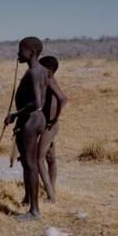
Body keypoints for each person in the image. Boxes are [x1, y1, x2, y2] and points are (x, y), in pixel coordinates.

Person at [4, 37, 61, 221]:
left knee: (30, 164)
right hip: (39, 120)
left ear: (32, 52)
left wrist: (15, 115)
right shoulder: (44, 71)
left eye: (21, 50)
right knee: (31, 164)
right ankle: (31, 204)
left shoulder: (34, 72)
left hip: (30, 120)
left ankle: (34, 211)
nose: (18, 54)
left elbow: (36, 102)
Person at [37, 56, 68, 203]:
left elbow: (63, 99)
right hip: (51, 125)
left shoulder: (49, 80)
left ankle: (51, 196)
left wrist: (54, 118)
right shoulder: (47, 81)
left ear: (48, 70)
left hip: (50, 126)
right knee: (51, 159)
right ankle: (52, 189)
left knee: (39, 159)